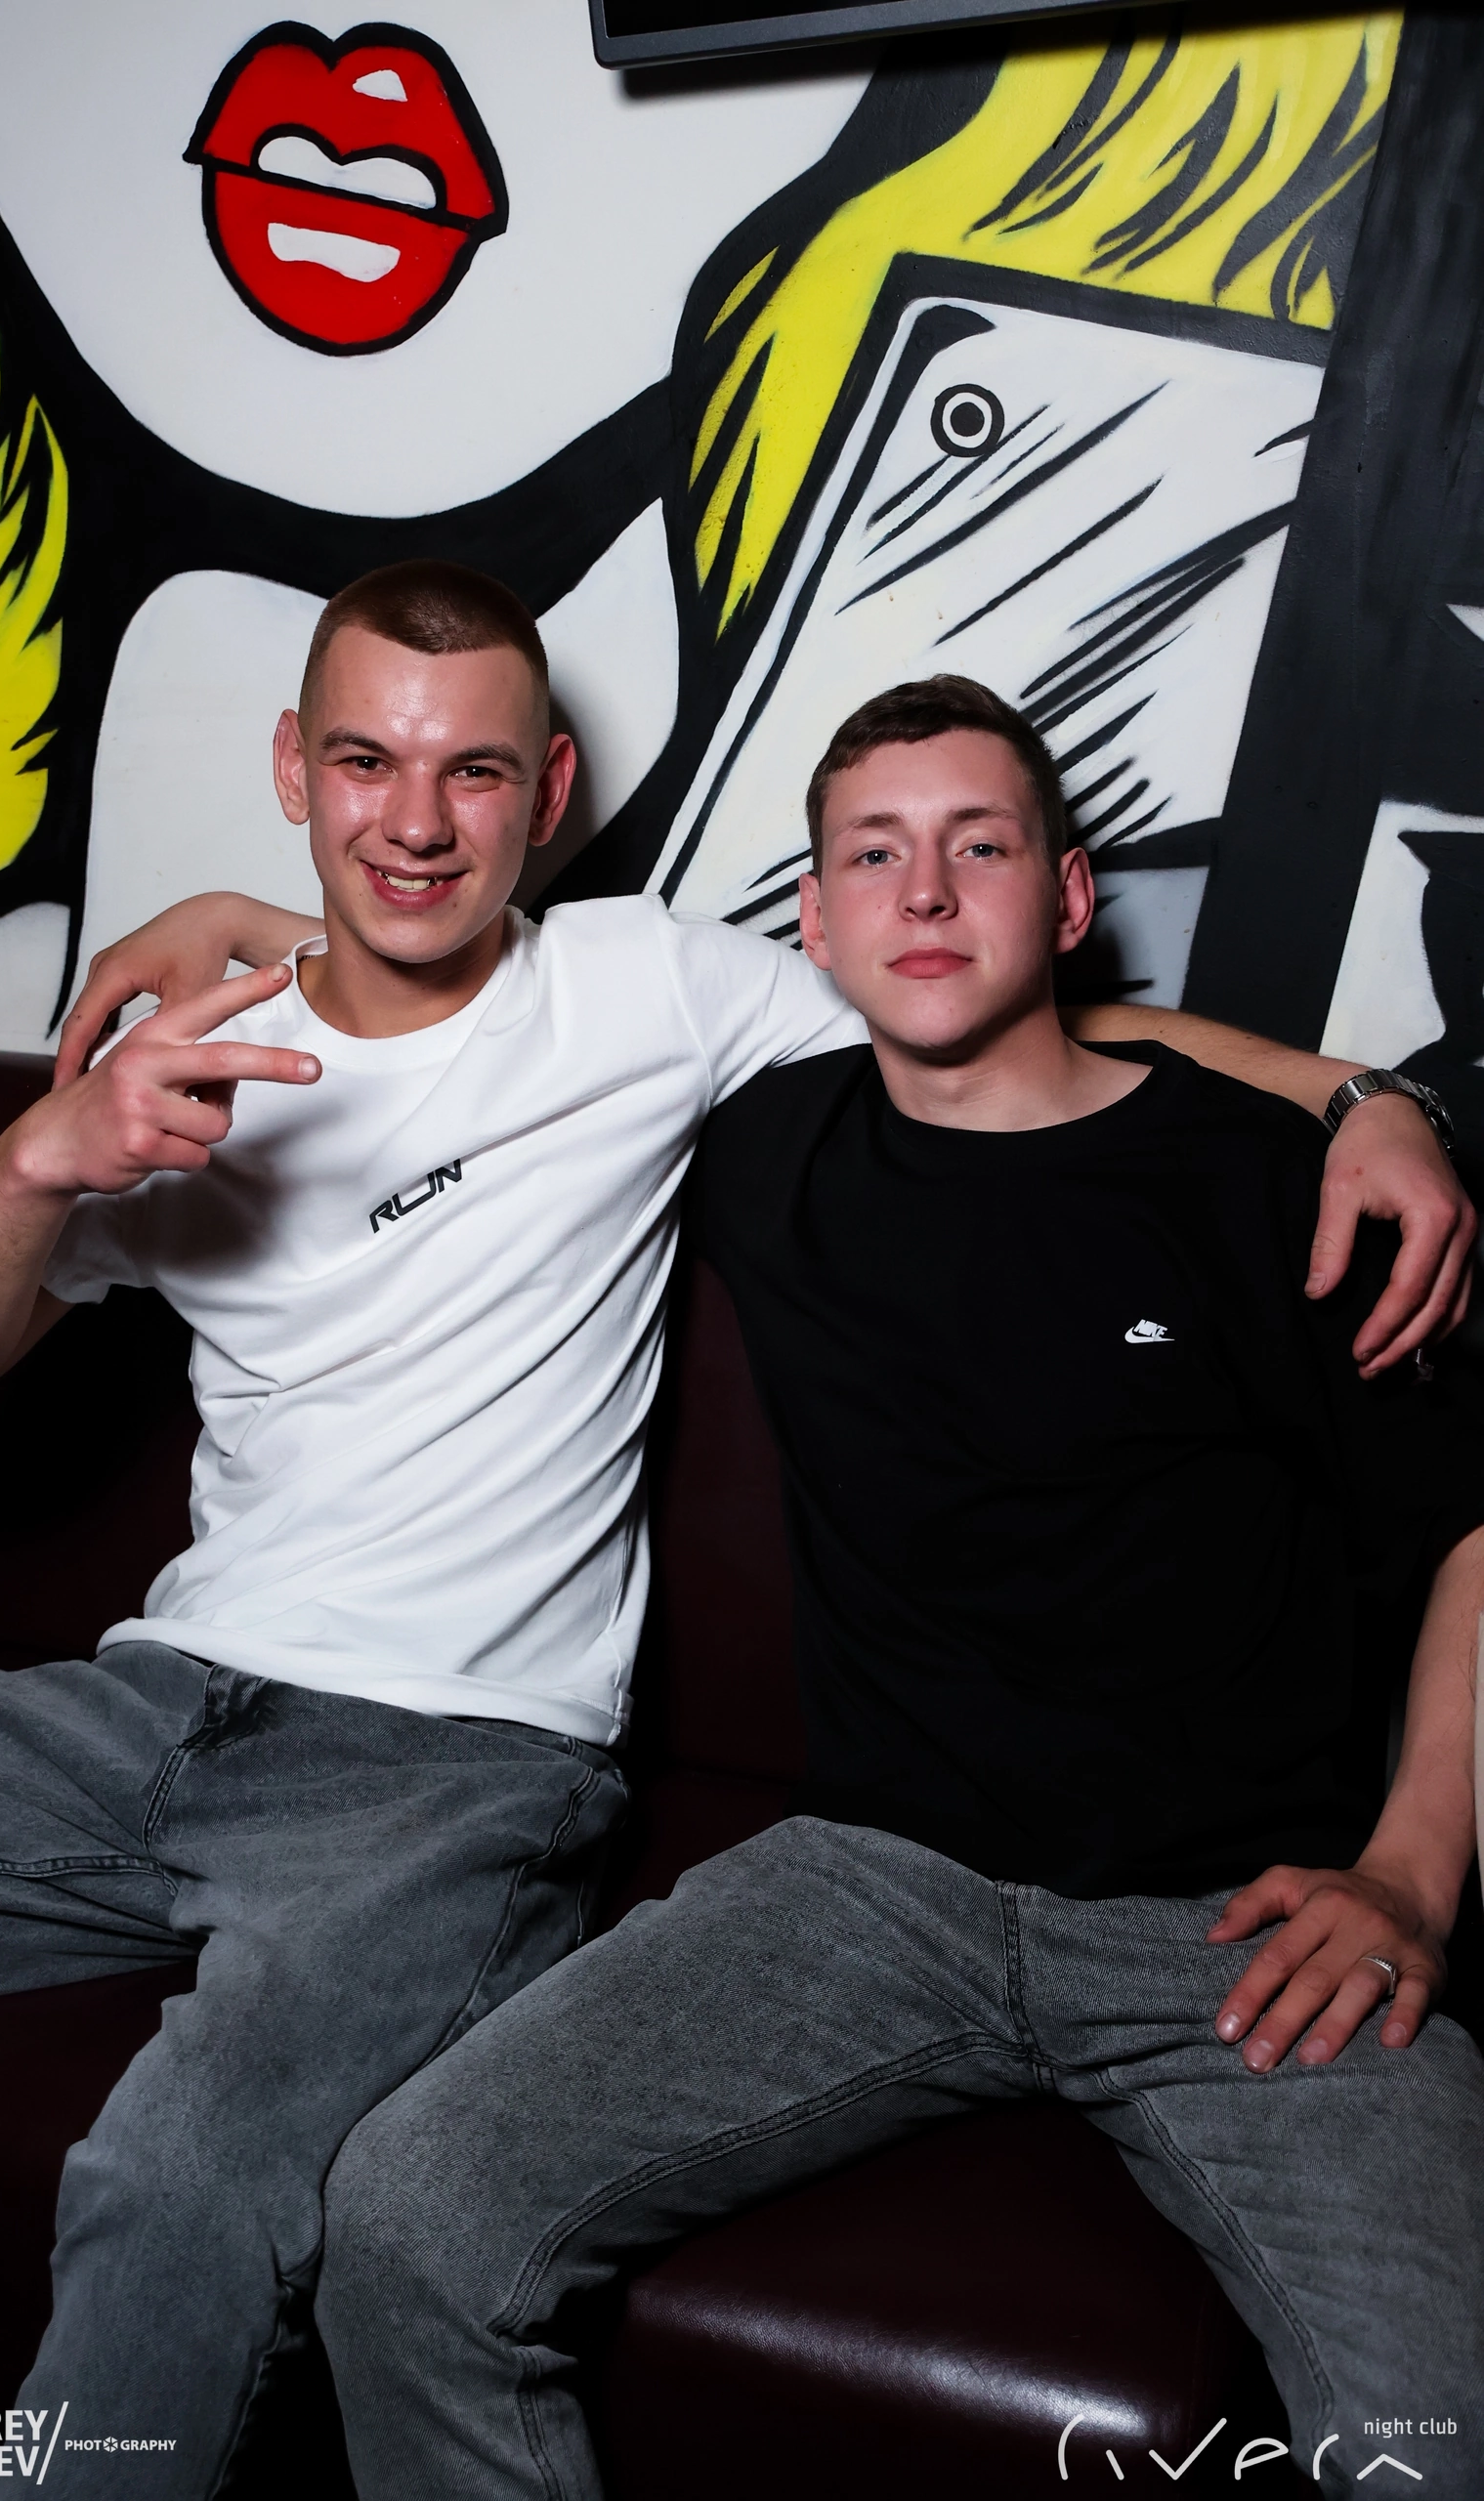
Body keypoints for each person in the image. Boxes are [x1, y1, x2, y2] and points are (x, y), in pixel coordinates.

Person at [0, 561, 1467, 2494]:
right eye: (363, 762)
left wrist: (1374, 1098)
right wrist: (52, 1136)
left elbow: (1034, 1035)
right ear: (292, 768)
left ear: (549, 790)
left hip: (550, 1793)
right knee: (384, 2209)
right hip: (279, 1735)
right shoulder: (260, 1072)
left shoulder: (692, 1005)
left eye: (471, 770)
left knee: (1425, 2433)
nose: (415, 817)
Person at [299, 679, 1484, 2500]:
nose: (923, 891)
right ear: (816, 920)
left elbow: (1470, 1517)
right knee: (408, 2219)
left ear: (1065, 898)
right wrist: (219, 931)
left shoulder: (1271, 1184)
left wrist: (1408, 1874)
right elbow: (438, 993)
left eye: (976, 846)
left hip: (1239, 1930)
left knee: (1428, 2438)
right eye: (874, 856)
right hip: (873, 1889)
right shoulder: (760, 1146)